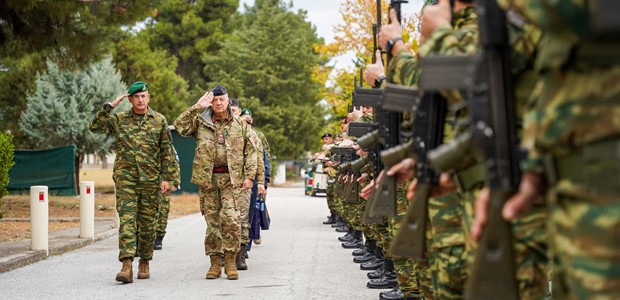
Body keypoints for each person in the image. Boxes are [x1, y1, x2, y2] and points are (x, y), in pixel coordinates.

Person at [89, 81, 176, 284]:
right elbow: (95, 127)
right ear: (129, 99)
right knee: (127, 222)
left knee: (147, 225)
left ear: (149, 97)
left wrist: (168, 178)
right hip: (126, 180)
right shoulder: (119, 119)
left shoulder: (159, 121)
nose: (140, 100)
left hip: (150, 180)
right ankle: (126, 265)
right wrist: (109, 107)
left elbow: (167, 152)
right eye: (136, 97)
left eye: (143, 96)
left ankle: (144, 261)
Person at [173, 85, 258, 280]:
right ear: (210, 102)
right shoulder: (201, 122)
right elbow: (179, 126)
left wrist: (250, 176)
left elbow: (251, 152)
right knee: (212, 222)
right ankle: (214, 263)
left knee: (231, 220)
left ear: (228, 101)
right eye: (215, 100)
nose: (218, 103)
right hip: (208, 180)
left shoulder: (240, 124)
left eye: (222, 99)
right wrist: (196, 107)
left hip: (231, 179)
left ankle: (230, 261)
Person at [235, 108, 267, 270]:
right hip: (226, 182)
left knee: (243, 219)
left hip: (245, 182)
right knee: (225, 219)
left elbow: (259, 160)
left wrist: (261, 181)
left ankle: (241, 254)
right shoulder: (226, 132)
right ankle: (224, 254)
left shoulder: (254, 136)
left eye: (248, 121)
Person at [154, 145, 181, 250]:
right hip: (149, 181)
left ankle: (158, 238)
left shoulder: (169, 147)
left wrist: (175, 182)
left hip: (165, 182)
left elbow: (175, 163)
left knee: (163, 210)